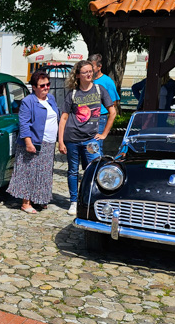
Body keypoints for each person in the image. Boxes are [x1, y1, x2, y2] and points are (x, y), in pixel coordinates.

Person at [58, 60, 116, 215]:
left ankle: (93, 199)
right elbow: (63, 118)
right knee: (72, 171)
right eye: (85, 72)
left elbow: (113, 112)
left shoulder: (99, 89)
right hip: (72, 138)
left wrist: (104, 134)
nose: (89, 74)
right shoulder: (73, 93)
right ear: (78, 75)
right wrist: (61, 141)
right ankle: (74, 201)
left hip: (91, 139)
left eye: (90, 71)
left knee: (96, 169)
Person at [8, 70, 60, 214]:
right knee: (29, 172)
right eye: (42, 85)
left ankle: (39, 198)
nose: (46, 88)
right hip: (34, 142)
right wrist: (28, 143)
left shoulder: (51, 99)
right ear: (34, 87)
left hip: (49, 143)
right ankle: (26, 203)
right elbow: (24, 123)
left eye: (48, 84)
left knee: (43, 173)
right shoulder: (28, 101)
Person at [89, 54, 120, 149]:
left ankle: (98, 163)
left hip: (100, 118)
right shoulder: (87, 80)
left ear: (99, 66)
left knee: (96, 146)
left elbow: (114, 102)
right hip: (85, 117)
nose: (90, 69)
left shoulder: (107, 81)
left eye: (92, 66)